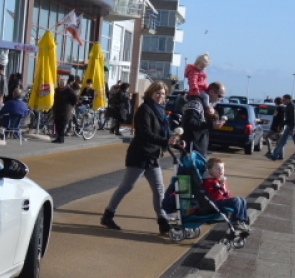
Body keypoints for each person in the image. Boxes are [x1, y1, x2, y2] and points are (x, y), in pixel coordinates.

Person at [100, 81, 182, 236]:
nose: (160, 96)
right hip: (139, 155)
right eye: (157, 93)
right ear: (150, 93)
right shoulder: (145, 110)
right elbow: (146, 134)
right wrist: (165, 141)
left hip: (152, 156)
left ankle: (163, 223)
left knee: (159, 190)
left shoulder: (160, 111)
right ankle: (108, 215)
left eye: (163, 94)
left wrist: (174, 142)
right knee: (127, 186)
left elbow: (162, 135)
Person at [202, 156, 250, 229]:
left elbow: (228, 196)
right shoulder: (208, 181)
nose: (221, 170)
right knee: (236, 200)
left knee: (242, 200)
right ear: (210, 170)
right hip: (215, 203)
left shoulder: (220, 180)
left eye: (222, 168)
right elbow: (215, 198)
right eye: (217, 168)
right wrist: (221, 188)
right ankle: (235, 220)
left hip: (222, 200)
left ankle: (242, 219)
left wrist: (225, 190)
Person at [182, 81, 224, 157]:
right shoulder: (196, 103)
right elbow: (189, 123)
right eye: (219, 96)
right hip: (193, 149)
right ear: (211, 92)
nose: (220, 99)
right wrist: (211, 125)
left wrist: (213, 114)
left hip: (200, 149)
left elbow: (215, 117)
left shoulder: (206, 104)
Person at [267, 94, 295, 160]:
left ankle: (274, 156)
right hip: (293, 126)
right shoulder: (289, 106)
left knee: (282, 141)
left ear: (288, 100)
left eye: (284, 99)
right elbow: (288, 119)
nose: (283, 101)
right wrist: (281, 125)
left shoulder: (292, 107)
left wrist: (293, 129)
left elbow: (294, 120)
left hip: (292, 127)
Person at [52, 75, 78, 143]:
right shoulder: (56, 90)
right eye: (60, 83)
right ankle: (59, 138)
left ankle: (61, 139)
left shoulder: (69, 91)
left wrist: (71, 105)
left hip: (65, 111)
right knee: (57, 125)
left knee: (62, 126)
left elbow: (75, 98)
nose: (61, 84)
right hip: (57, 110)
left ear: (65, 83)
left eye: (63, 83)